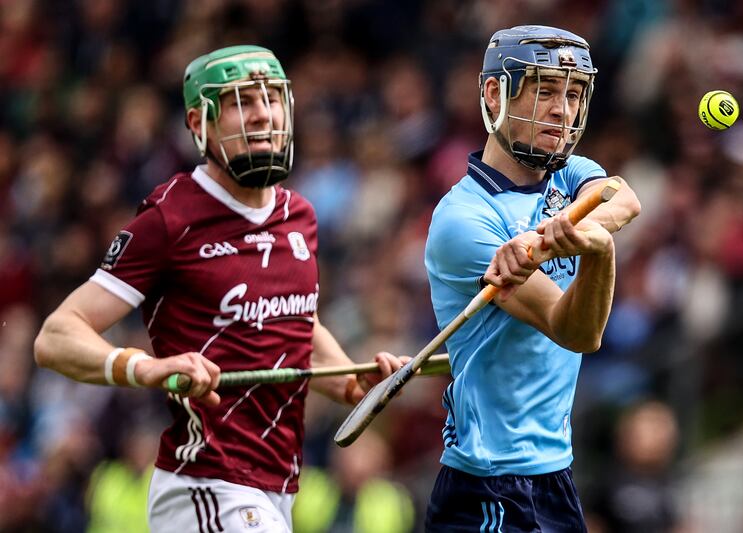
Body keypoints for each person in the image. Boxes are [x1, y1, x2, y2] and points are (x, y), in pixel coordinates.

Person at [33, 45, 405, 533]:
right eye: (240, 103)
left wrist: (351, 383)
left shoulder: (299, 216)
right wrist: (144, 367)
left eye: (272, 99)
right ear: (198, 122)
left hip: (277, 486)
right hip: (204, 484)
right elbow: (55, 337)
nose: (262, 115)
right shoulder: (170, 219)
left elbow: (296, 324)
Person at [423, 26, 641, 532]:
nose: (563, 110)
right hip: (490, 486)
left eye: (573, 93)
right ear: (496, 95)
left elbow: (625, 199)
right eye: (545, 91)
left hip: (553, 475)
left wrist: (542, 240)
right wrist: (591, 245)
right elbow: (577, 331)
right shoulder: (464, 220)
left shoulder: (568, 175)